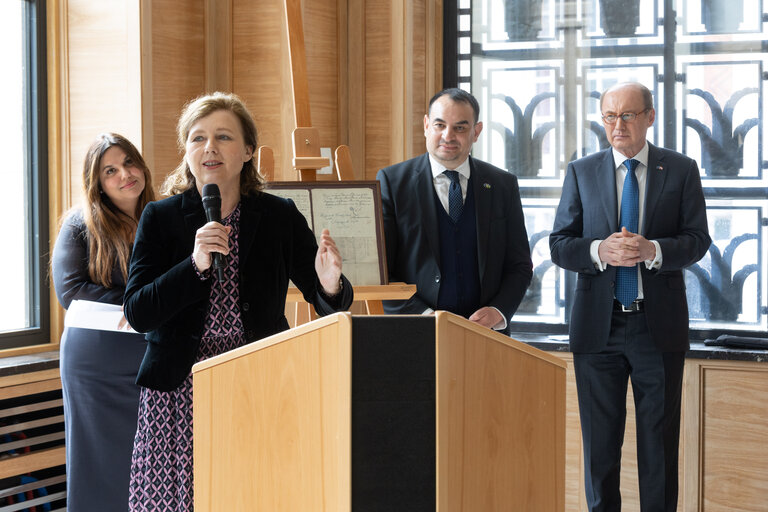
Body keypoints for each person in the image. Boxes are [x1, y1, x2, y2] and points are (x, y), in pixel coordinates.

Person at [123, 91, 353, 510]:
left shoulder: (279, 215)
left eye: (224, 137)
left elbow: (326, 300)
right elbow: (138, 312)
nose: (209, 147)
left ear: (248, 151)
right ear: (186, 151)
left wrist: (330, 284)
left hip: (259, 379)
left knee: (255, 494)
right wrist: (194, 265)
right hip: (178, 389)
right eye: (198, 138)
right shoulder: (161, 218)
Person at [549, 82, 711, 512]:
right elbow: (559, 244)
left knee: (658, 449)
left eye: (627, 115)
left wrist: (653, 250)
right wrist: (598, 250)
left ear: (650, 116)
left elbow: (697, 240)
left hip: (655, 328)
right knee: (599, 451)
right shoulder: (581, 171)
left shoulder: (680, 169)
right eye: (608, 116)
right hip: (597, 330)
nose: (617, 125)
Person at [51, 133, 156, 511]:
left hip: (153, 357)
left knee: (155, 463)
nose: (125, 174)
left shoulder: (163, 216)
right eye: (110, 170)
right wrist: (147, 304)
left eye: (129, 162)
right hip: (96, 363)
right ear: (96, 182)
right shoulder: (80, 223)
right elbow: (72, 291)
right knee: (99, 464)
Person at [376, 88, 532, 334]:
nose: (448, 136)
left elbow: (519, 265)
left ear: (476, 131)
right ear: (426, 125)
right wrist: (424, 316)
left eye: (460, 128)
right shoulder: (393, 182)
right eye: (439, 125)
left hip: (487, 336)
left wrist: (498, 311)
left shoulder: (503, 185)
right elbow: (382, 272)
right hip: (415, 333)